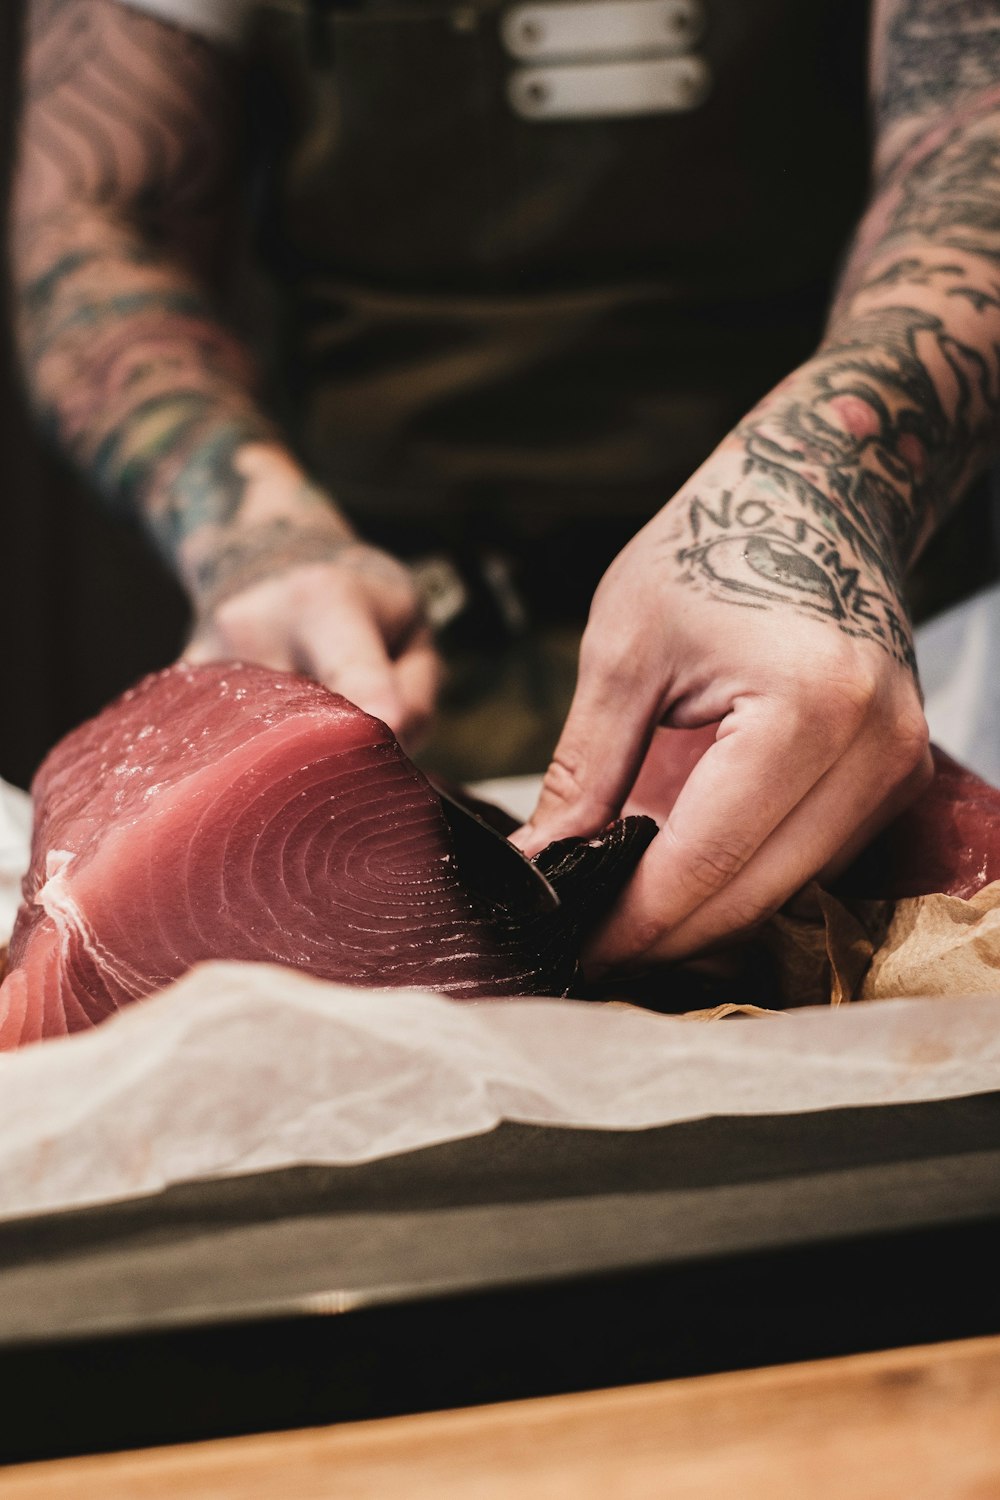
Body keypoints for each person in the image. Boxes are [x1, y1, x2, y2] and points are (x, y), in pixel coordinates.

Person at [9, 0, 1000, 975]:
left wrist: (818, 488)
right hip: (409, 668)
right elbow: (99, 210)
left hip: (874, 655)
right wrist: (250, 528)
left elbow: (974, 135)